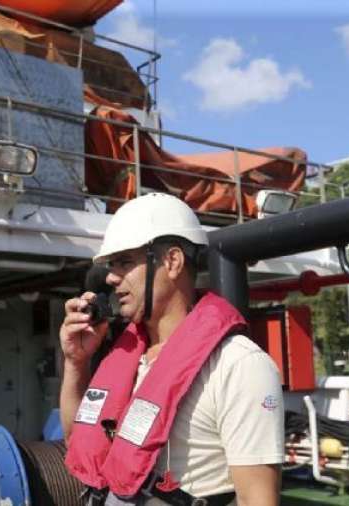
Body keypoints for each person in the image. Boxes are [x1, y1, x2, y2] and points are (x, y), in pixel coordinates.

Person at [60, 193, 284, 506]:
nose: (111, 277)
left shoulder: (239, 365)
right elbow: (77, 439)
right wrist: (76, 362)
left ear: (172, 261)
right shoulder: (127, 355)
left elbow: (257, 499)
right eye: (111, 266)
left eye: (125, 262)